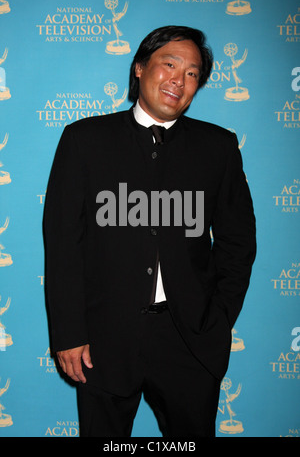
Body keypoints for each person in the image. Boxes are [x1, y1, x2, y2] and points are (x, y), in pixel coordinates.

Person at [43, 25, 256, 438]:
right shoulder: (84, 140)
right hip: (102, 341)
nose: (179, 79)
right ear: (139, 68)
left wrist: (217, 319)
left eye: (193, 73)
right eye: (170, 64)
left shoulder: (218, 147)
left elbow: (238, 241)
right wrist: (69, 333)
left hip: (189, 340)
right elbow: (63, 243)